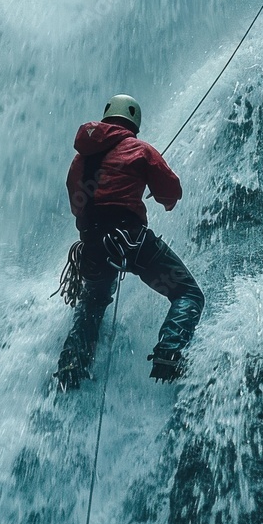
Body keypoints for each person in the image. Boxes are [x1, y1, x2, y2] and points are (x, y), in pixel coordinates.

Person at [55, 94, 205, 391]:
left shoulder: (79, 161)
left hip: (92, 251)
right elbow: (171, 193)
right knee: (187, 293)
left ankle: (73, 363)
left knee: (94, 301)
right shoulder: (139, 150)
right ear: (134, 121)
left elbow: (78, 205)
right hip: (132, 244)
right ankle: (168, 354)